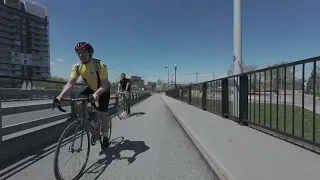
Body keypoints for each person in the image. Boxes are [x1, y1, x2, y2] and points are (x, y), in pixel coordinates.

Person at [56, 42, 111, 148]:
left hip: (103, 90)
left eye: (84, 52)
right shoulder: (77, 66)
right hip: (91, 88)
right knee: (79, 105)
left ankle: (105, 136)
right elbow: (71, 83)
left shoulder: (100, 65)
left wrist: (95, 94)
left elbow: (104, 84)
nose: (81, 55)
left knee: (103, 114)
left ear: (90, 53)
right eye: (79, 53)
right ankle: (93, 131)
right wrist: (60, 96)